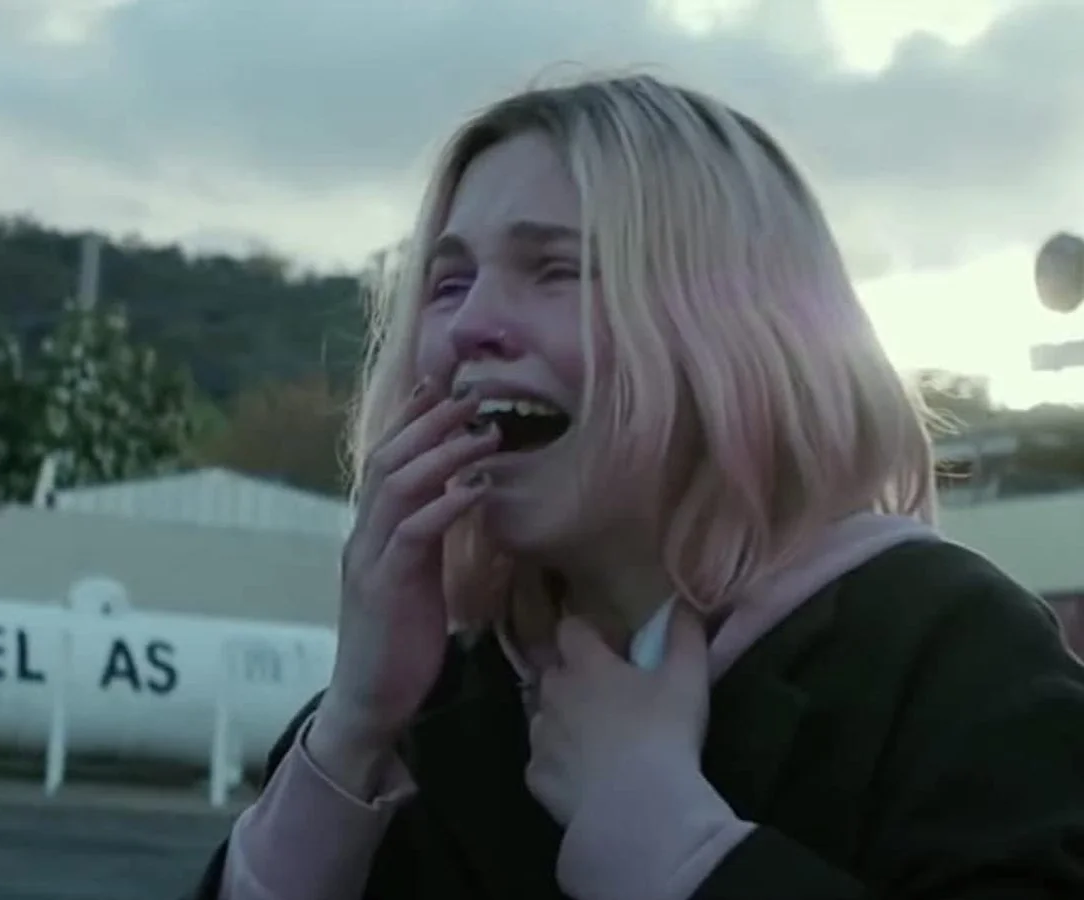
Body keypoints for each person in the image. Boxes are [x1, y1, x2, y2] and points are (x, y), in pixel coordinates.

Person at [187, 74, 1084, 900]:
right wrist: (350, 732)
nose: (469, 326)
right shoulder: (421, 707)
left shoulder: (949, 651)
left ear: (736, 327)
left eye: (556, 269)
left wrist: (676, 850)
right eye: (448, 282)